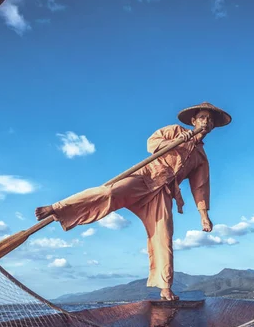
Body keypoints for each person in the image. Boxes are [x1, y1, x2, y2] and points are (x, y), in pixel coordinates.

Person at [35, 102, 232, 300]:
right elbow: (152, 143)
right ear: (193, 120)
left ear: (213, 127)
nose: (206, 122)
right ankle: (58, 208)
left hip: (162, 193)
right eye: (202, 117)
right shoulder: (175, 131)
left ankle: (165, 288)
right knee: (110, 193)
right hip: (145, 177)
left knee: (163, 238)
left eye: (210, 120)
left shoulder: (201, 158)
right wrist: (176, 142)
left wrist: (204, 216)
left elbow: (200, 187)